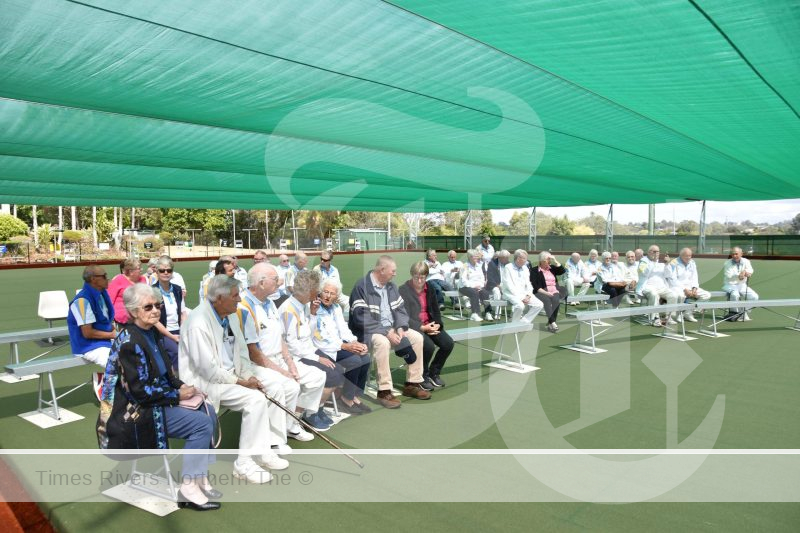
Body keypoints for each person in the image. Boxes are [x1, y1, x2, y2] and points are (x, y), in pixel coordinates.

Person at [101, 284, 220, 511]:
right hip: (137, 412)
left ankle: (199, 475)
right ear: (134, 311)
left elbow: (167, 372)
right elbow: (140, 393)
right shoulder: (130, 343)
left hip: (158, 401)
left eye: (158, 305)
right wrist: (177, 395)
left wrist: (185, 386)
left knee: (209, 410)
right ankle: (188, 487)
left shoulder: (152, 332)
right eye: (148, 307)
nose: (155, 310)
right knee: (201, 423)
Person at [179, 274, 288, 484]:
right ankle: (244, 464)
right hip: (205, 383)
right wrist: (244, 383)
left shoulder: (229, 315)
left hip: (231, 377)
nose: (240, 299)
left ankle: (263, 450)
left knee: (272, 387)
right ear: (219, 298)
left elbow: (241, 353)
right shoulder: (198, 322)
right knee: (255, 399)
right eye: (236, 295)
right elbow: (208, 370)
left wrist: (249, 376)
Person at [238, 263, 315, 449]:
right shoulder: (243, 306)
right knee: (280, 386)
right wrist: (281, 371)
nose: (280, 283)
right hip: (253, 364)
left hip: (275, 359)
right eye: (275, 279)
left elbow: (279, 337)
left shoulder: (269, 302)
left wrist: (289, 363)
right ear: (262, 283)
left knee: (293, 387)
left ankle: (288, 428)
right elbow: (253, 351)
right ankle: (273, 441)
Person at [348, 255, 430, 409]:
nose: (395, 274)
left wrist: (400, 327)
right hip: (370, 331)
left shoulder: (391, 287)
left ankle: (412, 383)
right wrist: (387, 332)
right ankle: (384, 391)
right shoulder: (361, 286)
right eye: (393, 271)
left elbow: (400, 310)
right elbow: (361, 318)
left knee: (417, 337)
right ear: (382, 270)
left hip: (392, 329)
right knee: (382, 342)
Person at [279, 270, 345, 430]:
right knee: (331, 374)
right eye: (316, 290)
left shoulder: (302, 306)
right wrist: (317, 358)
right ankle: (309, 414)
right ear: (309, 291)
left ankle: (318, 409)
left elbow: (307, 332)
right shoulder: (288, 310)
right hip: (296, 357)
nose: (319, 293)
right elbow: (292, 346)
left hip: (308, 350)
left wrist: (313, 314)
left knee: (338, 370)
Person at [311, 277, 372, 414]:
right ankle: (345, 399)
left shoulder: (336, 308)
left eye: (332, 294)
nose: (328, 296)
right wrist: (344, 346)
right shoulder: (314, 308)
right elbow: (319, 338)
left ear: (336, 296)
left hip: (337, 345)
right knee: (355, 361)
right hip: (323, 349)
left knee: (365, 358)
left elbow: (343, 329)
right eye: (325, 292)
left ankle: (354, 396)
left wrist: (355, 342)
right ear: (320, 292)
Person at [400, 262, 454, 389]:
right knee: (428, 346)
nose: (419, 280)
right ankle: (422, 375)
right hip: (413, 327)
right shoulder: (403, 290)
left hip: (430, 325)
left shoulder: (429, 288)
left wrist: (437, 325)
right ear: (411, 275)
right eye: (416, 277)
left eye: (422, 277)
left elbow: (435, 310)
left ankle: (434, 373)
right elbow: (404, 316)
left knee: (448, 344)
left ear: (426, 276)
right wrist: (422, 328)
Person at [68, 265, 116, 371]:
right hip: (87, 347)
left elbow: (105, 322)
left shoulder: (101, 295)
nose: (107, 278)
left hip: (104, 341)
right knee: (119, 363)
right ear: (93, 279)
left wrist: (115, 333)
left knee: (135, 353)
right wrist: (113, 335)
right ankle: (103, 385)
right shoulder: (82, 301)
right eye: (104, 276)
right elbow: (88, 333)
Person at [151, 255, 187, 369]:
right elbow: (154, 320)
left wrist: (183, 332)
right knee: (176, 353)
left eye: (169, 270)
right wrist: (172, 336)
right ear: (157, 271)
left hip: (178, 331)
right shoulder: (152, 291)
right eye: (162, 270)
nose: (166, 273)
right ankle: (178, 383)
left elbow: (182, 313)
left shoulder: (177, 289)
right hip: (162, 333)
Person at [636, 245, 679, 326]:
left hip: (661, 287)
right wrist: (652, 261)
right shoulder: (643, 261)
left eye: (657, 252)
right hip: (647, 287)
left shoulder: (661, 263)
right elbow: (643, 273)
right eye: (654, 251)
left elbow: (668, 274)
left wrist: (667, 264)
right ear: (649, 252)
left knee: (673, 295)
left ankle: (668, 317)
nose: (656, 253)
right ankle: (654, 318)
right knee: (654, 294)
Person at [668, 247, 711, 323]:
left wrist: (694, 288)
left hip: (690, 287)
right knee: (681, 296)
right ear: (681, 255)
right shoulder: (673, 263)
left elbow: (695, 277)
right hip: (677, 287)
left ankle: (688, 312)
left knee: (707, 295)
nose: (689, 257)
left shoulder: (692, 262)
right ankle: (678, 315)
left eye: (690, 255)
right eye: (686, 256)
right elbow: (673, 279)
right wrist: (685, 289)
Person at [502, 250, 543, 323]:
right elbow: (509, 286)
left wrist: (528, 295)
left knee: (539, 305)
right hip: (510, 293)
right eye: (525, 258)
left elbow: (528, 284)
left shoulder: (525, 268)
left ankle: (523, 322)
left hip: (524, 294)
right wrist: (521, 297)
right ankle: (514, 324)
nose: (526, 260)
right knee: (520, 306)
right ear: (518, 258)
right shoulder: (508, 267)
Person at [530, 251, 567, 332]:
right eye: (548, 260)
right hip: (541, 291)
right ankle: (553, 322)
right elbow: (535, 286)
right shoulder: (534, 270)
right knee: (546, 300)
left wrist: (555, 260)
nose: (550, 262)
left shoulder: (552, 268)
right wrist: (547, 293)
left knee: (556, 300)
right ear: (542, 261)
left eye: (550, 260)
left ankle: (551, 323)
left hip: (554, 289)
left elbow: (562, 271)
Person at [722, 246, 758, 321]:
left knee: (754, 297)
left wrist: (745, 272)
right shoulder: (727, 263)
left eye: (736, 254)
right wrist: (739, 275)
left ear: (741, 254)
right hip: (730, 285)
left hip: (742, 285)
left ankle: (742, 313)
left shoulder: (746, 261)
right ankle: (734, 314)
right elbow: (729, 275)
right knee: (735, 295)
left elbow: (750, 270)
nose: (734, 256)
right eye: (733, 254)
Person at [108, 258, 146, 326]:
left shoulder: (143, 279)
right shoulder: (118, 280)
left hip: (141, 315)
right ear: (131, 271)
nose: (141, 270)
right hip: (122, 317)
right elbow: (109, 300)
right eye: (139, 268)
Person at [459, 249, 494, 321]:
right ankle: (474, 314)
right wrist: (474, 286)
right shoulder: (464, 266)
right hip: (464, 287)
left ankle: (488, 313)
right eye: (474, 257)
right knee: (474, 293)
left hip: (478, 286)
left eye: (476, 257)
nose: (476, 258)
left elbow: (482, 278)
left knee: (485, 293)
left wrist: (480, 286)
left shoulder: (479, 266)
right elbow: (464, 280)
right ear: (469, 257)